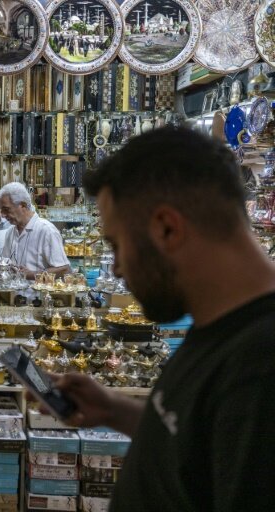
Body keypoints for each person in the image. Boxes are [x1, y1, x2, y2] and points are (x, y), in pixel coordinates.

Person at [53, 127, 275, 510]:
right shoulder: (220, 323)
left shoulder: (261, 366)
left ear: (167, 228)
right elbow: (198, 450)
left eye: (117, 245)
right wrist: (115, 410)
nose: (117, 268)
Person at [0, 182, 70, 279]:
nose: (3, 215)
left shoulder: (46, 230)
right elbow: (5, 263)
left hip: (36, 293)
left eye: (6, 209)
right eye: (1, 210)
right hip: (13, 293)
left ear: (22, 205)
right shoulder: (10, 232)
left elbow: (63, 268)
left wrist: (33, 275)